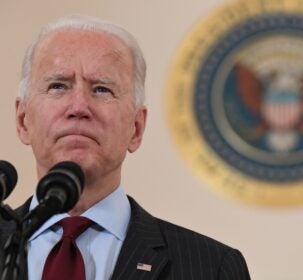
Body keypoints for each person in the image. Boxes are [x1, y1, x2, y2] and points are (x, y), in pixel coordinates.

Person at [1, 15, 251, 279]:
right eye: (58, 86)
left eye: (101, 89)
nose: (78, 107)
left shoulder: (211, 267)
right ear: (22, 120)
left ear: (136, 127)